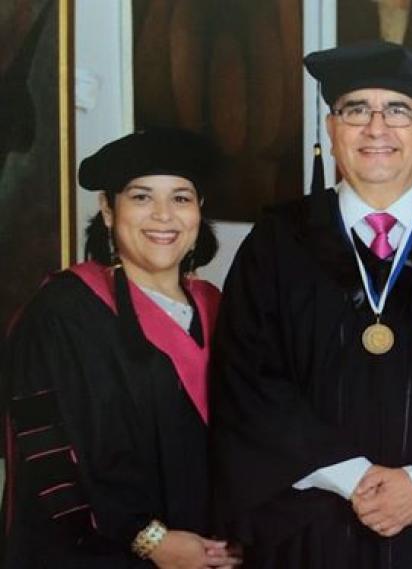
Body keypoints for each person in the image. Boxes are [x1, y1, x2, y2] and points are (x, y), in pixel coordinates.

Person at [210, 40, 412, 568]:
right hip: (312, 527)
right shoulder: (278, 243)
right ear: (331, 128)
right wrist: (348, 475)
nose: (376, 128)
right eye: (356, 109)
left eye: (399, 110)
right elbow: (248, 379)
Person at [1, 128, 241, 568]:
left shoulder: (217, 308)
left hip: (210, 553)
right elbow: (47, 450)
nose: (164, 216)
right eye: (142, 197)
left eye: (181, 198)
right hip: (102, 556)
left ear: (199, 211)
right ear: (108, 210)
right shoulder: (64, 310)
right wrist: (152, 542)